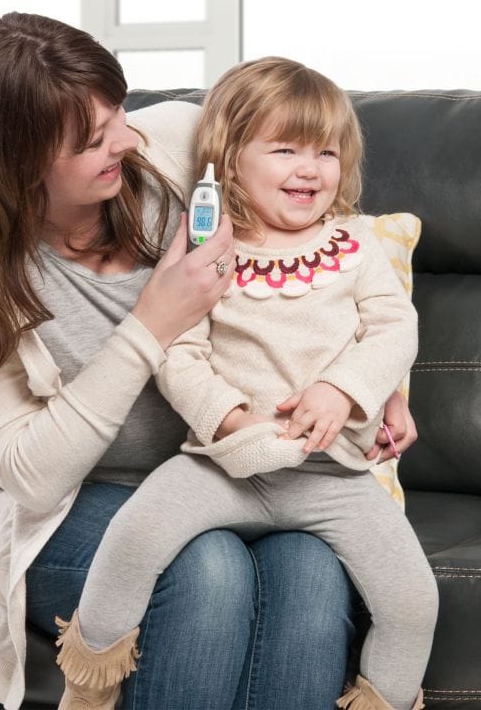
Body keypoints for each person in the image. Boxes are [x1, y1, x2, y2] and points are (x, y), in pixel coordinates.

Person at [0, 14, 419, 710]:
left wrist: (377, 387)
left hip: (250, 469)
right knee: (208, 570)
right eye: (93, 139)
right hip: (85, 501)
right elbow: (27, 478)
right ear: (18, 164)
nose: (125, 137)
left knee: (310, 571)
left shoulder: (173, 144)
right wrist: (151, 324)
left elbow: (330, 244)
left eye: (116, 109)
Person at [57, 57, 438, 710]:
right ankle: (88, 691)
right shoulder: (206, 248)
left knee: (414, 601)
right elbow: (177, 354)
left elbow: (392, 331)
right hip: (222, 465)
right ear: (231, 162)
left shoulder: (354, 245)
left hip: (331, 479)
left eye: (326, 151)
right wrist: (233, 421)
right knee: (129, 542)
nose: (310, 167)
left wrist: (343, 392)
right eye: (285, 149)